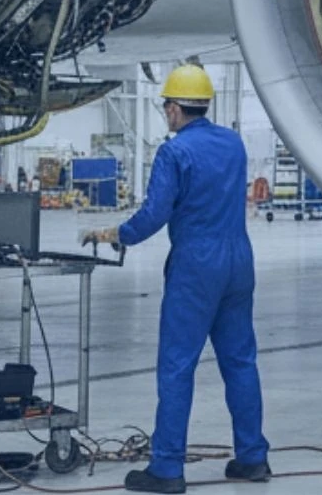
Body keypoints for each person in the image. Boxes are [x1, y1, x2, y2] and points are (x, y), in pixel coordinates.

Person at [98, 65, 268, 492]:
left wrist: (118, 234)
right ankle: (252, 458)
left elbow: (156, 213)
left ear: (174, 108)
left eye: (165, 107)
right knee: (240, 361)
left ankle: (167, 468)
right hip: (238, 259)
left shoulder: (174, 152)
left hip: (196, 263)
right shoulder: (233, 144)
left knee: (177, 367)